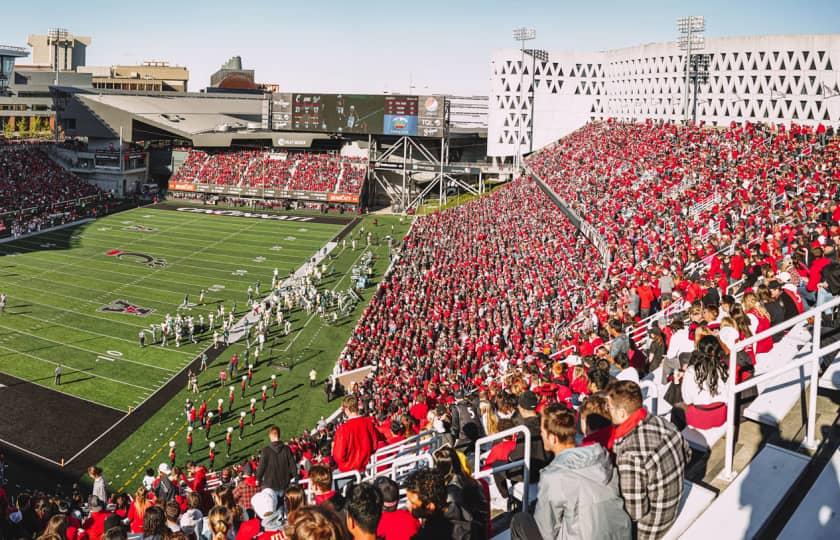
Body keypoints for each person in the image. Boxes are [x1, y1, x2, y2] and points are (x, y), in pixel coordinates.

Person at [510, 404, 631, 540]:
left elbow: (546, 532)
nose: (541, 434)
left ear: (553, 438)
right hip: (622, 534)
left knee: (520, 520)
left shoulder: (553, 476)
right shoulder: (601, 456)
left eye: (542, 431)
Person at [606, 381, 690, 539]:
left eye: (609, 407)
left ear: (622, 413)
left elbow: (635, 512)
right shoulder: (663, 423)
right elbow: (688, 455)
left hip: (651, 528)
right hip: (671, 507)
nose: (607, 411)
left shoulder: (629, 453)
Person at [404, 469, 473, 540]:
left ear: (430, 507)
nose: (407, 505)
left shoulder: (433, 534)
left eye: (412, 503)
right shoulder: (464, 511)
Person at [332, 395, 384, 472]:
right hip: (367, 466)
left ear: (346, 409)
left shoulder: (343, 429)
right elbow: (374, 446)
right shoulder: (368, 422)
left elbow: (338, 456)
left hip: (349, 469)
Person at [255, 426, 297, 505]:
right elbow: (293, 466)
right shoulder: (287, 449)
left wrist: (258, 478)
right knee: (282, 505)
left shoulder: (266, 450)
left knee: (272, 506)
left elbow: (261, 467)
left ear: (270, 436)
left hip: (270, 485)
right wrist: (296, 477)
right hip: (284, 483)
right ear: (279, 435)